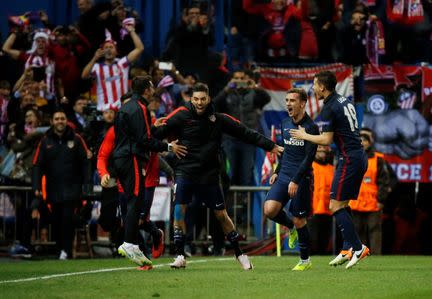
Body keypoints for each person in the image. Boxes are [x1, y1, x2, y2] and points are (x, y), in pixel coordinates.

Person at [152, 82, 283, 270]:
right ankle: (180, 255)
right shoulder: (180, 114)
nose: (199, 103)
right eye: (195, 99)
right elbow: (155, 135)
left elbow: (246, 133)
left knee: (221, 215)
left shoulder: (219, 119)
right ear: (191, 99)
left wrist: (271, 146)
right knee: (179, 211)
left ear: (209, 98)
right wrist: (162, 137)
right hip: (185, 171)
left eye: (202, 99)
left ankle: (240, 254)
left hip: (210, 173)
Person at [289, 71, 369, 269]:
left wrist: (303, 135)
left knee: (335, 206)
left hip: (349, 158)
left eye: (315, 85)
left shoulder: (330, 107)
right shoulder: (344, 100)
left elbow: (326, 140)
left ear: (322, 87)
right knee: (343, 203)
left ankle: (359, 249)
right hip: (357, 156)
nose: (313, 89)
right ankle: (347, 248)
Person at [110, 76, 187, 267]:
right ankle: (129, 243)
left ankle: (132, 243)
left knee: (133, 201)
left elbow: (135, 135)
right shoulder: (140, 108)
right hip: (131, 159)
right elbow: (143, 141)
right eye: (152, 86)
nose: (154, 89)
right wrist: (169, 147)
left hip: (121, 158)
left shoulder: (126, 108)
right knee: (136, 201)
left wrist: (153, 128)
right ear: (146, 90)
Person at [265, 88, 319, 271]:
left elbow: (308, 158)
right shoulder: (285, 123)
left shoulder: (311, 128)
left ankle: (305, 260)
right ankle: (290, 228)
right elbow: (286, 151)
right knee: (269, 210)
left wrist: (295, 180)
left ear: (302, 104)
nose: (288, 103)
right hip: (285, 174)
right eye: (287, 100)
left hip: (301, 177)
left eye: (292, 101)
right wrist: (277, 171)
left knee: (299, 219)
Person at [32, 109, 90, 259]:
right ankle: (60, 251)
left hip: (72, 189)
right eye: (56, 118)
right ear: (52, 121)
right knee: (56, 221)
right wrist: (36, 186)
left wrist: (87, 185)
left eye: (62, 118)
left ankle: (66, 251)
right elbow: (37, 165)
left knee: (67, 220)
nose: (59, 121)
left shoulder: (77, 139)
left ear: (66, 121)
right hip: (53, 189)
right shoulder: (45, 141)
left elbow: (86, 163)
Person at [213, 69, 271, 186]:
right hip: (229, 140)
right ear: (231, 80)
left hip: (248, 140)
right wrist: (226, 90)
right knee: (230, 174)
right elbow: (214, 105)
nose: (239, 81)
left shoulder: (253, 94)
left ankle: (244, 203)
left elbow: (267, 98)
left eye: (242, 78)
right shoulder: (227, 94)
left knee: (246, 175)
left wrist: (255, 87)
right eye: (236, 78)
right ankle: (229, 203)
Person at [349, 128, 397, 255]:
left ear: (370, 142)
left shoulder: (378, 159)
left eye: (365, 140)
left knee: (374, 229)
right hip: (355, 201)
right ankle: (359, 255)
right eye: (360, 140)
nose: (362, 143)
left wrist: (381, 200)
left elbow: (384, 181)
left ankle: (376, 256)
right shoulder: (352, 157)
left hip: (373, 202)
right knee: (358, 230)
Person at [81, 20, 143, 111]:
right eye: (106, 48)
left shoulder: (122, 64)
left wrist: (132, 31)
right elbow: (84, 76)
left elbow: (139, 48)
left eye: (111, 47)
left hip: (122, 109)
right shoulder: (97, 67)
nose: (108, 50)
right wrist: (94, 58)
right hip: (104, 111)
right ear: (102, 51)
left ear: (116, 51)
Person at [310, 145, 334, 255]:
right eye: (319, 150)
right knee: (312, 240)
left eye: (323, 150)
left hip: (328, 209)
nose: (321, 152)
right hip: (312, 209)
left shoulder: (332, 169)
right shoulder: (310, 166)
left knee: (325, 239)